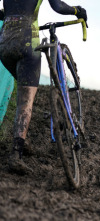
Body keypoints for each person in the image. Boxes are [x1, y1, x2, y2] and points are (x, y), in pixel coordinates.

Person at [0, 0, 87, 174]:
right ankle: (16, 155)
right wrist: (78, 11)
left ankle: (23, 139)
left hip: (4, 45)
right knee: (26, 101)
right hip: (27, 44)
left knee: (22, 91)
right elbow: (58, 7)